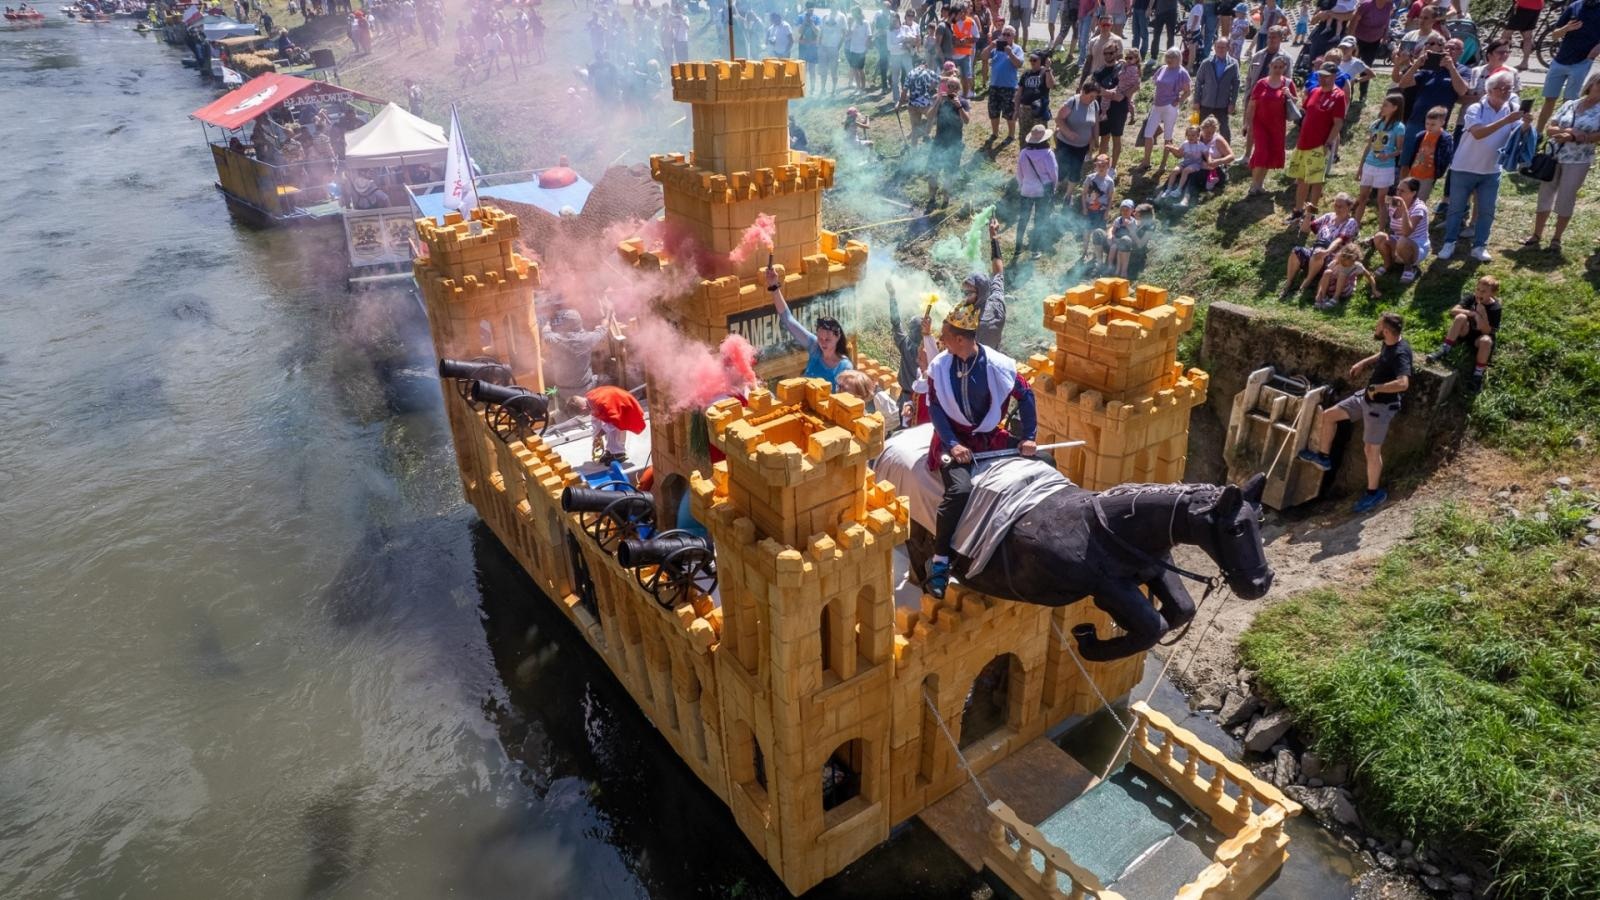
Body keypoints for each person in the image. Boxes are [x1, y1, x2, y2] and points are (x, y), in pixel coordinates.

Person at [922, 226, 1039, 599]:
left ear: (961, 339)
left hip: (993, 437)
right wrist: (953, 443)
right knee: (958, 492)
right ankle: (940, 562)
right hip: (957, 441)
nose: (940, 342)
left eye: (945, 337)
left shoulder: (999, 365)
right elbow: (937, 408)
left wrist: (1031, 437)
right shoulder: (942, 364)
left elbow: (1027, 394)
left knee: (1046, 464)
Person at [1299, 312, 1413, 513]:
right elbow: (1383, 354)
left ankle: (1373, 493)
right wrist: (1363, 363)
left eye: (1378, 326)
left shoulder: (1401, 353)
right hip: (1365, 398)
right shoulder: (1391, 342)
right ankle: (1324, 457)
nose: (1375, 328)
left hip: (1380, 407)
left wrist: (1377, 389)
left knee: (1371, 450)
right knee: (1329, 415)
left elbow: (1403, 384)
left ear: (1386, 330)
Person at [1438, 73, 1529, 261]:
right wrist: (1506, 120)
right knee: (1456, 209)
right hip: (1464, 167)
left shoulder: (1512, 108)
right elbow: (1478, 133)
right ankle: (1449, 243)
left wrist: (1526, 125)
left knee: (1487, 210)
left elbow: (1517, 135)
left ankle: (1479, 246)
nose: (1505, 92)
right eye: (1500, 88)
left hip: (1492, 170)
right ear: (1489, 89)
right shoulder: (1476, 108)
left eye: (1508, 88)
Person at [1529, 70, 1600, 251]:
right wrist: (1569, 132)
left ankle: (1556, 239)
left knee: (1566, 197)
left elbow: (1597, 136)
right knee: (1545, 193)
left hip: (1579, 159)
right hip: (1555, 155)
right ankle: (1536, 234)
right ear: (1591, 84)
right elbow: (1550, 127)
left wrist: (1577, 138)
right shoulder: (1571, 104)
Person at [767, 265, 853, 388]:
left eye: (828, 339)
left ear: (838, 337)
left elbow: (845, 399)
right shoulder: (814, 346)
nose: (823, 343)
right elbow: (788, 319)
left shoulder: (844, 366)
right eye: (820, 338)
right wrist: (774, 287)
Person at [1287, 61, 1347, 221]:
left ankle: (1310, 214)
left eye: (1326, 77)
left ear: (1334, 76)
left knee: (1315, 181)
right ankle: (1298, 211)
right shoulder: (1314, 91)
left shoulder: (1338, 96)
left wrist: (1328, 143)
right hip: (1303, 143)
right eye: (1320, 76)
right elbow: (1304, 111)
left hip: (1318, 145)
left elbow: (1338, 123)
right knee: (1301, 179)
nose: (1322, 79)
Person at [1537, 0, 1600, 132]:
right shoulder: (1574, 6)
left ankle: (1561, 135)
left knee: (1569, 102)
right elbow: (1554, 35)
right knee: (1549, 99)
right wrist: (1566, 28)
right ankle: (1537, 134)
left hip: (1581, 62)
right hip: (1560, 60)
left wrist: (1592, 54)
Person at [1283, 192, 1360, 294]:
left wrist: (1327, 251)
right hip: (1317, 249)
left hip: (1332, 256)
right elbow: (1305, 229)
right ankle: (1288, 283)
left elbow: (1339, 240)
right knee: (1295, 252)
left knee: (1319, 253)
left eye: (1340, 206)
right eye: (1335, 205)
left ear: (1349, 207)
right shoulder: (1328, 216)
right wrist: (1309, 214)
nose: (1337, 208)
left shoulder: (1351, 222)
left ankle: (1306, 283)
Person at [1243, 53, 1298, 193]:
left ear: (1284, 68)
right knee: (1261, 152)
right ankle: (1253, 185)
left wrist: (1289, 95)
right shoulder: (1262, 83)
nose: (1278, 69)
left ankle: (1260, 184)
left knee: (1271, 153)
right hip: (1260, 123)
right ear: (1270, 66)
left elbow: (1296, 101)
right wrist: (1247, 123)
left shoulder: (1288, 83)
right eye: (1275, 66)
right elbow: (1252, 104)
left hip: (1277, 125)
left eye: (1281, 67)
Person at [1353, 93, 1406, 225]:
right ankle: (1354, 226)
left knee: (1381, 201)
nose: (1382, 107)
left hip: (1385, 168)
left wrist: (1387, 155)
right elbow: (1368, 146)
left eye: (1386, 105)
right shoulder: (1376, 124)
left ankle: (1381, 231)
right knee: (1362, 197)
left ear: (1395, 107)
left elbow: (1400, 149)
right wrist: (1360, 168)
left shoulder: (1399, 127)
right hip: (1369, 165)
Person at [1137, 48, 1192, 170]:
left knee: (1168, 135)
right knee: (1148, 133)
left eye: (1172, 57)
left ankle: (1163, 164)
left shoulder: (1182, 72)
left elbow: (1188, 91)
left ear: (1179, 58)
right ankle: (1146, 161)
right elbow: (1155, 82)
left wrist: (1179, 101)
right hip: (1157, 105)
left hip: (1170, 107)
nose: (1169, 59)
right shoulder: (1162, 69)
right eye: (1168, 56)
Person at [567, 384, 645, 465]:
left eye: (583, 414)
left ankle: (619, 453)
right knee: (607, 429)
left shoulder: (601, 403)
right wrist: (595, 437)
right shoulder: (589, 400)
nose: (585, 416)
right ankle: (610, 451)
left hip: (624, 407)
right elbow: (595, 421)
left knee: (614, 430)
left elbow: (614, 422)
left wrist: (600, 433)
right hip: (616, 407)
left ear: (583, 409)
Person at [542, 309, 609, 401]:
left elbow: (545, 331)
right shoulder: (588, 338)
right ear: (579, 323)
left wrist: (548, 322)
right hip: (585, 390)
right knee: (607, 378)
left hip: (562, 391)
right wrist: (607, 315)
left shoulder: (554, 340)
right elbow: (603, 329)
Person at [1373, 177, 1431, 283]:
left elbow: (1406, 232)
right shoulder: (1395, 202)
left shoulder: (1419, 208)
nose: (1398, 193)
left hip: (1417, 246)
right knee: (1379, 237)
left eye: (1402, 191)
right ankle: (1388, 263)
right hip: (1399, 242)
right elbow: (1382, 202)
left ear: (1413, 193)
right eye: (1398, 189)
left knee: (1403, 240)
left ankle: (1409, 267)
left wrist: (1404, 209)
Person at [1054, 79, 1103, 204]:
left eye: (1095, 97)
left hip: (1082, 145)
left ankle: (1068, 196)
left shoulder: (1095, 104)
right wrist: (1068, 133)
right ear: (1083, 92)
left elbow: (1095, 124)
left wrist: (1095, 139)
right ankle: (1054, 190)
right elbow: (1059, 119)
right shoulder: (1073, 102)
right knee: (1062, 168)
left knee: (1076, 169)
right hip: (1065, 143)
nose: (1093, 99)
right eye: (1091, 96)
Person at [1016, 124, 1061, 258]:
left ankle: (1017, 248)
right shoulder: (1048, 154)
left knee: (1023, 219)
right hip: (1042, 192)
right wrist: (1054, 188)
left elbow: (1019, 173)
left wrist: (1022, 185)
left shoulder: (1024, 153)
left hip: (1026, 190)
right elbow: (1054, 174)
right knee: (1039, 220)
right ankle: (1034, 250)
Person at [929, 75, 973, 204]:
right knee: (933, 170)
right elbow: (929, 116)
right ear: (946, 87)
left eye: (955, 87)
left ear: (958, 89)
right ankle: (931, 198)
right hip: (939, 141)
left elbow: (967, 121)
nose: (952, 89)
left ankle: (946, 200)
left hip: (954, 143)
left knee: (950, 173)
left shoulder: (964, 102)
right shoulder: (939, 100)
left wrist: (959, 106)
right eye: (950, 86)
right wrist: (937, 101)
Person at [1398, 106, 1456, 201]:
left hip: (1428, 176)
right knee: (1408, 198)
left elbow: (1446, 157)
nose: (1429, 127)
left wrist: (1439, 172)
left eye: (1433, 124)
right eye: (1427, 123)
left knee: (1420, 200)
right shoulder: (1421, 135)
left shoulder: (1445, 139)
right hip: (1414, 172)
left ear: (1442, 123)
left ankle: (1416, 216)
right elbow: (1414, 153)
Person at [1097, 45, 1142, 168]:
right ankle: (1101, 165)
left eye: (1110, 53)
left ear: (1116, 53)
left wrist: (1128, 92)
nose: (1108, 56)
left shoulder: (1127, 68)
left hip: (1119, 107)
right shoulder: (1103, 69)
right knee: (1104, 137)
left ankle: (1113, 168)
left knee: (1116, 137)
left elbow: (1136, 85)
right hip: (1109, 103)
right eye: (1105, 53)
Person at [1182, 114, 1236, 203]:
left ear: (1215, 130)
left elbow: (1232, 156)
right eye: (1206, 132)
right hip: (1198, 164)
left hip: (1215, 169)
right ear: (1201, 129)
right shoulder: (1197, 137)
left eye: (1211, 132)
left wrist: (1218, 161)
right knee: (1181, 170)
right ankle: (1164, 194)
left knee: (1194, 175)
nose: (1208, 135)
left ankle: (1186, 199)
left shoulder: (1218, 140)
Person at [1194, 38, 1240, 140]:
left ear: (1228, 48)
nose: (1220, 49)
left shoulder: (1233, 64)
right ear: (1214, 47)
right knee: (1198, 127)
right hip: (1206, 102)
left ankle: (1226, 152)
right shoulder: (1206, 63)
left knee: (1224, 129)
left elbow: (1236, 84)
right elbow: (1198, 82)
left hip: (1222, 104)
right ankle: (1196, 149)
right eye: (1218, 47)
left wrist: (1232, 102)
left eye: (1223, 47)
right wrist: (1196, 100)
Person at [1313, 242, 1381, 308]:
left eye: (1349, 260)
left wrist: (1374, 290)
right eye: (1344, 258)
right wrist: (1318, 293)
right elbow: (1323, 278)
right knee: (1327, 272)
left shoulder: (1357, 266)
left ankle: (1335, 299)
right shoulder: (1336, 262)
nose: (1345, 262)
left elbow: (1369, 276)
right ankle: (1322, 297)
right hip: (1332, 288)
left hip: (1345, 289)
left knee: (1342, 274)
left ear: (1354, 259)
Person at [1349, 0, 1394, 99]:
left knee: (1367, 66)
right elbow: (1354, 21)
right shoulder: (1366, 5)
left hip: (1374, 41)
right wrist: (1351, 40)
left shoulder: (1389, 5)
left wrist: (1385, 34)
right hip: (1358, 39)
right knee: (1351, 66)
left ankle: (1363, 94)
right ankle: (1349, 92)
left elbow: (1387, 20)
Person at [988, 25, 1025, 140]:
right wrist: (990, 46)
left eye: (1008, 34)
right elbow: (983, 56)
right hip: (994, 85)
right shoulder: (995, 48)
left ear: (1013, 36)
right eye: (1004, 34)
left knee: (1010, 113)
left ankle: (1011, 135)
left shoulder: (1017, 49)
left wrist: (1010, 53)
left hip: (1009, 87)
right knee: (993, 111)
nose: (1005, 36)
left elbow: (1019, 64)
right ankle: (994, 133)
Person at [836, 368, 902, 430]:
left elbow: (896, 417)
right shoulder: (842, 398)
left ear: (860, 393)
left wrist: (878, 430)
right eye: (839, 386)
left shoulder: (878, 398)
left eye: (844, 388)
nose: (839, 391)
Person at [1160, 123, 1211, 199]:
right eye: (1189, 135)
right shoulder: (1185, 144)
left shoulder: (1201, 145)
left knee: (1186, 171)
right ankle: (1168, 189)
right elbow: (1179, 154)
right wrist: (1172, 149)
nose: (1190, 137)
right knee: (1175, 171)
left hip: (1196, 164)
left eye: (1193, 135)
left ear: (1198, 136)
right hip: (1185, 162)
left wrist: (1210, 162)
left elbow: (1207, 154)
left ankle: (1179, 189)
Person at [1016, 50, 1057, 135]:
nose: (1032, 62)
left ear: (1041, 61)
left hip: (1039, 110)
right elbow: (1019, 93)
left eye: (1034, 60)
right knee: (1024, 136)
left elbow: (1051, 86)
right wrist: (1016, 110)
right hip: (1025, 110)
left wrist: (1048, 69)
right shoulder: (1026, 74)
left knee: (1040, 138)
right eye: (1030, 59)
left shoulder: (1046, 73)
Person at [906, 51, 942, 143]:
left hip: (912, 104)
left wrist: (899, 104)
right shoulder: (927, 71)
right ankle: (925, 134)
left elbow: (904, 91)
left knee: (914, 127)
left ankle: (914, 149)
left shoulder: (910, 73)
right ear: (925, 64)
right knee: (933, 119)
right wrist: (951, 78)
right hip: (924, 103)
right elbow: (940, 79)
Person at [890, 10, 921, 105]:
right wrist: (903, 44)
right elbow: (890, 46)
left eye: (912, 15)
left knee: (911, 75)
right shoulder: (891, 31)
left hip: (909, 54)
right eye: (909, 15)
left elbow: (915, 39)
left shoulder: (907, 28)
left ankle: (912, 96)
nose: (910, 17)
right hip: (897, 56)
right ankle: (899, 98)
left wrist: (911, 43)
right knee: (899, 78)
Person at [1507, 0, 1544, 71]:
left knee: (1506, 35)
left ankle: (1498, 59)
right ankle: (1525, 63)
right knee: (1528, 36)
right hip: (1537, 6)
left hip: (1524, 5)